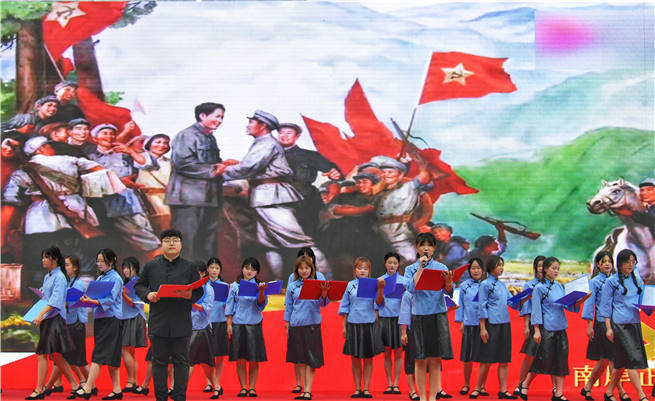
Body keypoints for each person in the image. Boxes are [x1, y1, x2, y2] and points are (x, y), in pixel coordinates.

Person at [217, 110, 329, 279]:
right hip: (263, 197)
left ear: (263, 126)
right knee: (269, 244)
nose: (248, 125)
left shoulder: (267, 144)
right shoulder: (260, 143)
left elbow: (248, 168)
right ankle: (276, 283)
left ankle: (326, 281)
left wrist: (218, 172)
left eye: (251, 122)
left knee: (300, 241)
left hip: (273, 197)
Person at [1, 136, 104, 292]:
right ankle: (82, 290)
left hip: (38, 220)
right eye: (49, 145)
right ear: (41, 148)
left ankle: (44, 292)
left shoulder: (22, 171)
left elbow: (10, 198)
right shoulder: (70, 160)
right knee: (80, 257)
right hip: (75, 212)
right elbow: (99, 170)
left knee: (43, 259)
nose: (53, 148)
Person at [134, 229, 204, 401]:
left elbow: (199, 291)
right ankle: (161, 397)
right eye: (167, 240)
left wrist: (189, 295)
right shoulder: (151, 265)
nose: (171, 243)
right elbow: (139, 286)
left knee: (181, 362)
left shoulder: (190, 267)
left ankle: (179, 397)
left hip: (181, 321)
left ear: (181, 244)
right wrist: (148, 295)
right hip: (158, 321)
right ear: (161, 244)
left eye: (175, 240)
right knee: (159, 362)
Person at [86, 124, 161, 259]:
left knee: (147, 241)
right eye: (104, 133)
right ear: (95, 138)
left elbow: (150, 165)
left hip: (127, 205)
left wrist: (131, 152)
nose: (109, 136)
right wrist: (118, 181)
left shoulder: (124, 154)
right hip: (99, 208)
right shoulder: (88, 156)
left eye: (112, 134)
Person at [520, 257, 586, 401]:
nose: (556, 271)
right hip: (547, 328)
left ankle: (559, 393)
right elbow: (536, 310)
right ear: (545, 269)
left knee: (561, 361)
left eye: (558, 269)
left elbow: (568, 306)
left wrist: (582, 299)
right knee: (543, 359)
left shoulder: (559, 286)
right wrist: (536, 330)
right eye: (553, 268)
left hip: (560, 326)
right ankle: (524, 384)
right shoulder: (539, 288)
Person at [166, 103, 225, 261]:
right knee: (186, 241)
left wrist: (224, 165)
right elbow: (183, 164)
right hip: (188, 199)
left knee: (207, 242)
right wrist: (215, 170)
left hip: (209, 198)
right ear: (202, 116)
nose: (220, 120)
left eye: (222, 117)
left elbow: (213, 164)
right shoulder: (186, 135)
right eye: (217, 116)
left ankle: (204, 275)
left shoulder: (210, 137)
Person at [25, 246, 81, 400]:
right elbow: (46, 297)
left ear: (55, 259)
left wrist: (39, 314)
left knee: (43, 354)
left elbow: (55, 302)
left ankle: (39, 389)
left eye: (46, 257)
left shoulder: (60, 277)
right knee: (56, 356)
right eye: (42, 257)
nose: (43, 260)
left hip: (54, 319)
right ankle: (75, 385)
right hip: (48, 319)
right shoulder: (48, 276)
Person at [403, 232, 454, 401]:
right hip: (419, 317)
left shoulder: (441, 267)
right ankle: (423, 397)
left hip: (438, 316)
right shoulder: (410, 269)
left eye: (429, 245)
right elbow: (411, 289)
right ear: (416, 248)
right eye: (422, 245)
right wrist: (421, 267)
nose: (426, 248)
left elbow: (449, 291)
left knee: (435, 360)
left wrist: (448, 283)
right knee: (419, 360)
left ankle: (432, 397)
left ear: (434, 248)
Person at [73, 249, 125, 400]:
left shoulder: (116, 278)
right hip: (101, 318)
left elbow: (110, 300)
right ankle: (117, 390)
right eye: (98, 261)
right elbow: (97, 298)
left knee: (99, 355)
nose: (99, 264)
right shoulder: (101, 277)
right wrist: (87, 299)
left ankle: (88, 387)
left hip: (111, 319)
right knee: (112, 357)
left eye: (102, 261)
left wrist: (91, 301)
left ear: (112, 261)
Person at [598, 249, 649, 401]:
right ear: (620, 263)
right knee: (632, 360)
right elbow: (605, 306)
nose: (631, 265)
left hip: (634, 323)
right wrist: (608, 328)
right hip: (619, 325)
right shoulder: (611, 281)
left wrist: (649, 306)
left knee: (621, 363)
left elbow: (642, 301)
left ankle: (609, 392)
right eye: (628, 262)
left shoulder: (637, 280)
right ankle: (641, 395)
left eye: (633, 262)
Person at [277, 122, 342, 236]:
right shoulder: (269, 156)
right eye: (281, 133)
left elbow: (335, 171)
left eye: (289, 133)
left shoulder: (310, 155)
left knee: (308, 234)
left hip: (304, 201)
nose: (284, 136)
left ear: (297, 136)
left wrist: (335, 174)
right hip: (276, 200)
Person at [580, 251, 628, 401]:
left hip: (617, 322)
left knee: (605, 360)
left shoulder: (616, 280)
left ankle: (587, 387)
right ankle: (616, 392)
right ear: (598, 264)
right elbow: (589, 304)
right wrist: (589, 325)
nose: (607, 264)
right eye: (604, 261)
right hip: (602, 323)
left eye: (609, 261)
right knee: (613, 358)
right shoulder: (594, 282)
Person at [284, 255, 330, 401]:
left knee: (311, 360)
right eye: (301, 268)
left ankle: (308, 390)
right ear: (297, 270)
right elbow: (288, 306)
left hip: (312, 325)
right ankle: (304, 390)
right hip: (296, 324)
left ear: (312, 269)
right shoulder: (292, 286)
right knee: (301, 360)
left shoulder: (317, 284)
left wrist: (324, 292)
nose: (304, 271)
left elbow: (323, 304)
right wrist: (287, 323)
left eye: (307, 268)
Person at [44, 255, 90, 397]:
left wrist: (56, 301)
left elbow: (71, 303)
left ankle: (88, 384)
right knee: (63, 356)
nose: (65, 267)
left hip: (75, 323)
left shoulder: (78, 284)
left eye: (68, 265)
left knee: (76, 358)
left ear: (75, 268)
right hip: (67, 322)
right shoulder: (66, 281)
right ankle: (58, 384)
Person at [338, 256, 385, 398]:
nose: (362, 271)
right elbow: (344, 306)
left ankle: (366, 388)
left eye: (365, 268)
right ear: (354, 270)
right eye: (359, 268)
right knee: (355, 357)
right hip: (353, 323)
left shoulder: (374, 284)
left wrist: (380, 289)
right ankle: (357, 388)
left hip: (369, 323)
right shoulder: (350, 285)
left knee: (368, 358)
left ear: (369, 271)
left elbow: (379, 303)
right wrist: (344, 326)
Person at [472, 255, 516, 399]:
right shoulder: (485, 284)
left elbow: (511, 302)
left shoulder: (502, 285)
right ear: (491, 267)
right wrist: (482, 328)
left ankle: (503, 390)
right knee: (486, 359)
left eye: (502, 265)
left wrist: (526, 298)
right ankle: (477, 388)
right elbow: (482, 306)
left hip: (504, 324)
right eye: (499, 265)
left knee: (504, 360)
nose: (501, 268)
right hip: (491, 325)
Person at [225, 257, 269, 397]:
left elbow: (261, 304)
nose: (249, 271)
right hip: (238, 324)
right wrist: (229, 324)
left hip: (254, 324)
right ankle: (243, 387)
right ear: (242, 268)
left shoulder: (260, 286)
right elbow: (230, 305)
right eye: (247, 268)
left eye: (253, 269)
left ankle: (252, 388)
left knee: (254, 359)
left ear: (257, 272)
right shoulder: (235, 286)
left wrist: (261, 291)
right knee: (240, 358)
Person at [513, 256, 547, 397]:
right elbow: (526, 307)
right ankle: (520, 384)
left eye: (544, 266)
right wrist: (526, 326)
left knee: (552, 355)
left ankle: (555, 388)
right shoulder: (529, 285)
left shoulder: (552, 285)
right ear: (535, 267)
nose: (541, 269)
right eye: (539, 266)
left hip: (550, 324)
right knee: (530, 355)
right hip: (534, 324)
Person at [188, 262, 221, 400]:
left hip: (202, 329)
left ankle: (179, 389)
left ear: (203, 274)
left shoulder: (208, 289)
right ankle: (217, 386)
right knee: (203, 363)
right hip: (188, 328)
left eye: (197, 273)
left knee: (191, 361)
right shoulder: (188, 288)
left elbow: (206, 309)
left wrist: (190, 302)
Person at [454, 258, 484, 397]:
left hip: (484, 325)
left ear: (482, 270)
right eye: (473, 268)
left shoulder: (486, 285)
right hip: (469, 323)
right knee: (467, 357)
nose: (476, 271)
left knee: (484, 357)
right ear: (469, 270)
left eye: (478, 268)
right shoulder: (464, 286)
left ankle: (481, 386)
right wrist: (461, 322)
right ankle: (466, 384)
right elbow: (460, 305)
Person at [118, 257, 147, 393]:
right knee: (129, 351)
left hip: (133, 317)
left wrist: (123, 294)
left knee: (125, 350)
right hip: (126, 317)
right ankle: (133, 380)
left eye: (128, 268)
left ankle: (131, 381)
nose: (125, 271)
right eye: (124, 267)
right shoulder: (127, 282)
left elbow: (133, 303)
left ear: (135, 268)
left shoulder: (137, 282)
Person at [377, 252, 404, 395]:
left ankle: (396, 383)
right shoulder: (379, 281)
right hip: (384, 318)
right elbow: (377, 303)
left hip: (399, 320)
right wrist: (381, 289)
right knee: (387, 351)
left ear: (398, 265)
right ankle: (389, 383)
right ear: (385, 264)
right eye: (389, 263)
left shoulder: (404, 281)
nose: (392, 265)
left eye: (395, 263)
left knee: (398, 351)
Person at [136, 134, 172, 234]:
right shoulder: (138, 158)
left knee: (164, 224)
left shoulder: (170, 162)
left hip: (163, 198)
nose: (162, 145)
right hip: (141, 197)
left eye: (165, 143)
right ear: (149, 144)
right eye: (158, 142)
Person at [205, 257, 228, 396]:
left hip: (221, 321)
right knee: (207, 354)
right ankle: (209, 382)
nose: (214, 270)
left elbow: (229, 303)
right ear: (207, 269)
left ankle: (216, 381)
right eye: (212, 268)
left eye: (217, 268)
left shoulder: (225, 286)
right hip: (206, 322)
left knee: (219, 354)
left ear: (220, 270)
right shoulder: (203, 285)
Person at [398, 291, 418, 401]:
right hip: (412, 330)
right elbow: (404, 313)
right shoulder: (408, 293)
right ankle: (412, 391)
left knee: (429, 361)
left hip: (427, 329)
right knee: (411, 361)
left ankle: (434, 389)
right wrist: (404, 332)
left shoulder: (428, 291)